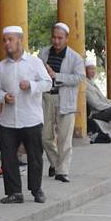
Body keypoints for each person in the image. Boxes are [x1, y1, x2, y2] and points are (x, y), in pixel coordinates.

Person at [0, 26, 52, 204]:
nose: (7, 43)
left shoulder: (34, 63)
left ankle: (36, 189)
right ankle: (14, 193)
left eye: (10, 39)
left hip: (31, 118)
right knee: (8, 158)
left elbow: (48, 83)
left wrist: (32, 86)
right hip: (8, 121)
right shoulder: (1, 67)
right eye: (5, 40)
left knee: (34, 157)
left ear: (20, 40)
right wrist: (4, 96)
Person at [38, 22, 85, 183]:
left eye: (60, 38)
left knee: (65, 138)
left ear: (66, 38)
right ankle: (55, 162)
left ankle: (62, 171)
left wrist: (56, 76)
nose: (56, 41)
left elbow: (80, 77)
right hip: (46, 98)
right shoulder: (43, 53)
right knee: (45, 136)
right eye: (54, 37)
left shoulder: (75, 58)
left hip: (65, 99)